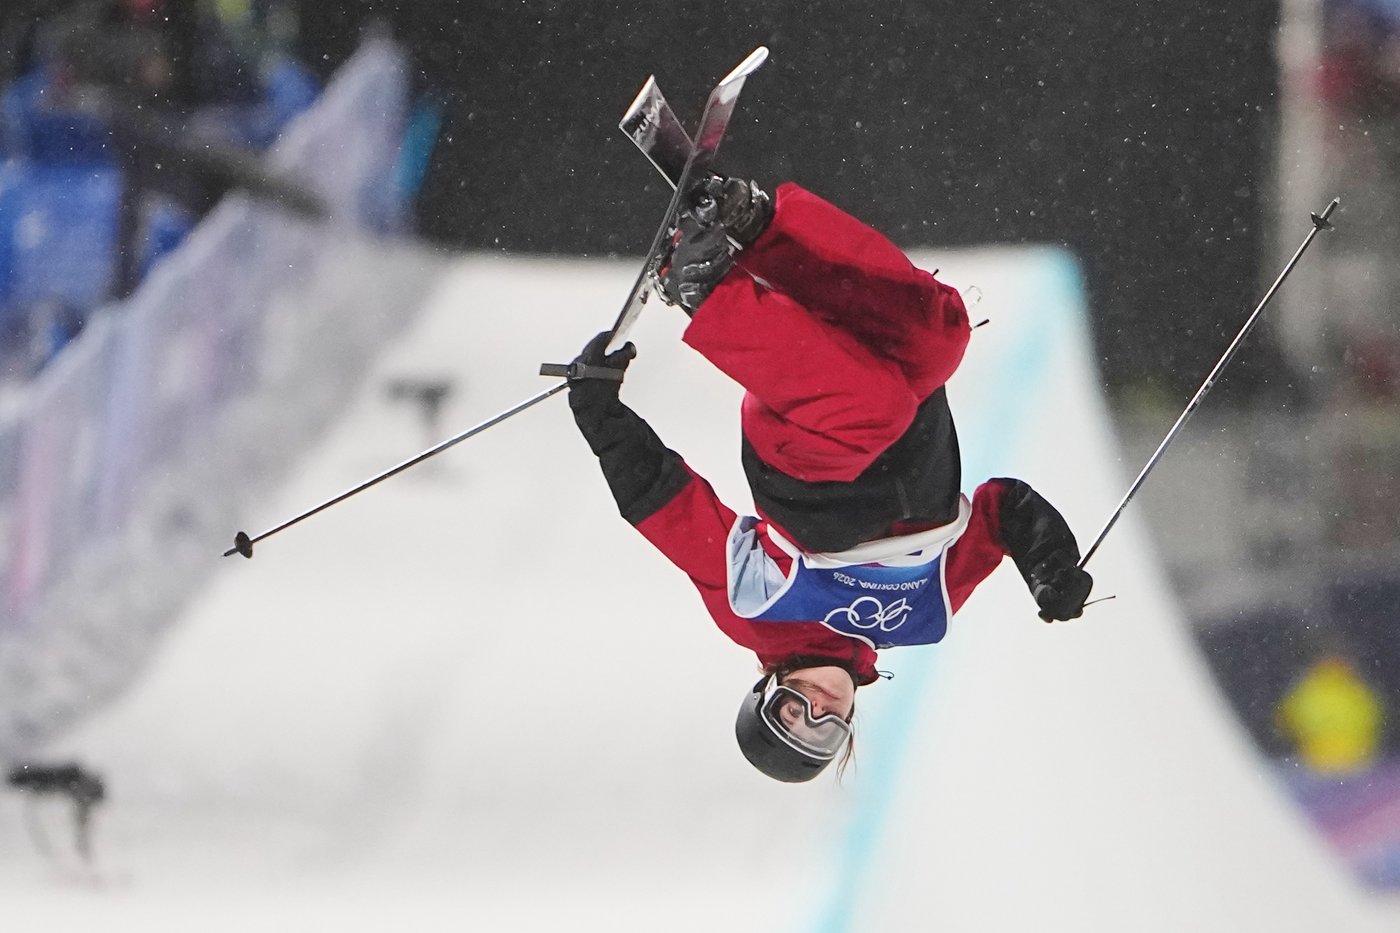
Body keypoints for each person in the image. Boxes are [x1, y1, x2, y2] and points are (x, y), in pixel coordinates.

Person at [566, 176, 1093, 783]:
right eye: (825, 730)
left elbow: (667, 508)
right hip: (912, 449)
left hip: (808, 476)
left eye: (792, 712)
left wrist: (598, 411)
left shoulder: (757, 614)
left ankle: (703, 291)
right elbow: (1003, 509)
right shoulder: (927, 619)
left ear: (768, 689)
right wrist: (1050, 567)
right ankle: (762, 234)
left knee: (871, 408)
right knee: (937, 335)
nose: (818, 707)